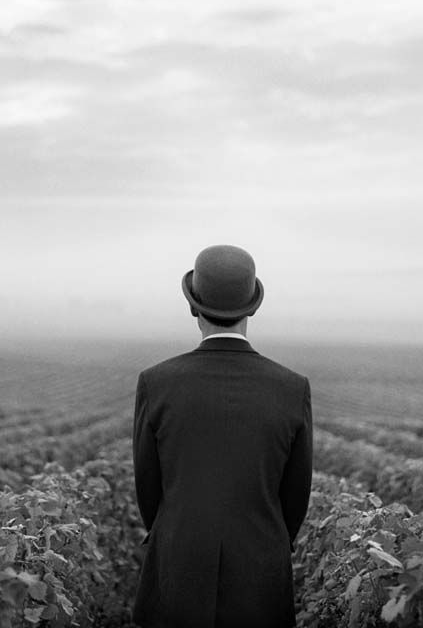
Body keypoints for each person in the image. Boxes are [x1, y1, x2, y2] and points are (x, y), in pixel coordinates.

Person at [132, 244, 313, 628]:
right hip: (261, 573)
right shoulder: (292, 388)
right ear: (252, 308)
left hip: (177, 567)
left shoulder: (156, 383)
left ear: (193, 307)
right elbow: (296, 497)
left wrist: (178, 528)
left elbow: (148, 489)